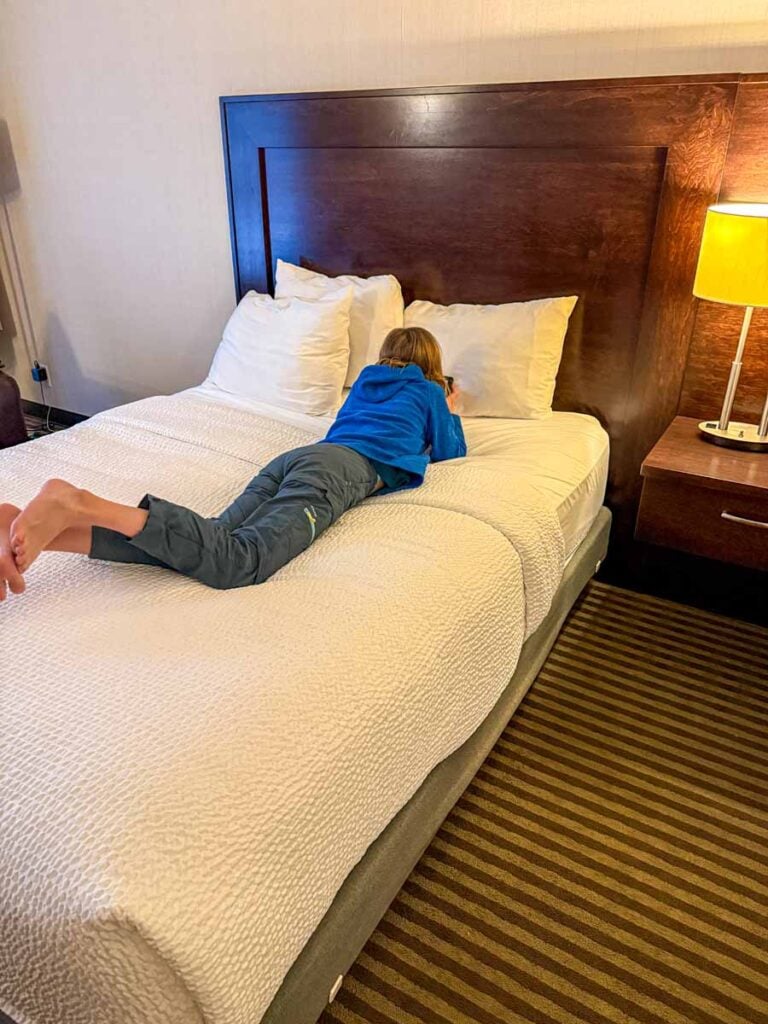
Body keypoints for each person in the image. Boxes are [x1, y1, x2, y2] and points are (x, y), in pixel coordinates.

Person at [0, 327, 466, 599]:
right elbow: (449, 451)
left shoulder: (365, 382)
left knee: (212, 538)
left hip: (300, 458)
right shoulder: (428, 390)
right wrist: (449, 405)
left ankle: (41, 530)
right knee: (242, 562)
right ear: (432, 363)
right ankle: (81, 503)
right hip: (340, 472)